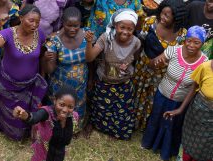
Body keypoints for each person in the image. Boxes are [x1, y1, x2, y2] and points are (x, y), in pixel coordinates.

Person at [141, 26, 208, 161]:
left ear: (202, 44)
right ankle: (149, 143)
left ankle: (166, 151)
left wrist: (181, 108)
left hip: (180, 100)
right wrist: (157, 63)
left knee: (173, 125)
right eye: (189, 41)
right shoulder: (173, 50)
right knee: (156, 119)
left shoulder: (204, 62)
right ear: (184, 40)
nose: (191, 45)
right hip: (162, 94)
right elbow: (151, 65)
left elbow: (193, 88)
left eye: (197, 42)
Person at [0, 4, 48, 141]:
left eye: (38, 21)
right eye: (31, 20)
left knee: (23, 111)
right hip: (8, 83)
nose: (35, 25)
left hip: (30, 84)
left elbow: (41, 55)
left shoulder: (40, 35)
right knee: (4, 107)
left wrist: (42, 76)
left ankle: (23, 129)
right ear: (21, 17)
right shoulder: (8, 34)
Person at [85, 9, 141, 140]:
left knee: (122, 113)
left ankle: (116, 132)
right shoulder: (106, 38)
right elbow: (90, 58)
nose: (125, 32)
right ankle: (99, 127)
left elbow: (135, 57)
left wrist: (127, 64)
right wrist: (88, 42)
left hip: (124, 83)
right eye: (122, 27)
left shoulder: (136, 42)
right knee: (101, 109)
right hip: (105, 82)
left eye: (130, 29)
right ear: (115, 25)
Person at [134, 0, 187, 130]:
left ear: (176, 18)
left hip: (162, 74)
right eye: (162, 13)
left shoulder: (182, 35)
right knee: (137, 93)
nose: (163, 18)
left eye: (167, 16)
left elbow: (179, 55)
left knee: (152, 98)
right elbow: (139, 42)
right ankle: (133, 120)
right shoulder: (150, 22)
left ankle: (145, 124)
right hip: (143, 67)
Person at [43, 7, 88, 133]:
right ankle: (54, 129)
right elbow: (50, 69)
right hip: (60, 85)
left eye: (76, 25)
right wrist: (47, 59)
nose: (73, 29)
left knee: (77, 107)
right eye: (69, 25)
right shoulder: (54, 41)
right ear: (63, 22)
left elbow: (91, 60)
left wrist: (90, 81)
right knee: (59, 108)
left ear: (80, 24)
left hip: (80, 84)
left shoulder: (86, 35)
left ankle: (73, 130)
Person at [13, 85, 79, 161]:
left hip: (59, 156)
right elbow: (34, 117)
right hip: (42, 156)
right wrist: (26, 116)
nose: (65, 110)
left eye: (70, 107)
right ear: (55, 100)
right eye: (62, 105)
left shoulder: (74, 117)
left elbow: (67, 140)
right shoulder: (46, 113)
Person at [164, 60, 213, 161]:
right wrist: (180, 109)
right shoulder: (205, 67)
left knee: (206, 147)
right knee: (189, 141)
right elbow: (194, 87)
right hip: (197, 112)